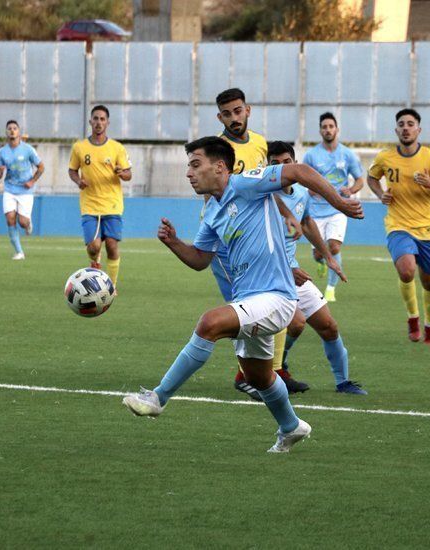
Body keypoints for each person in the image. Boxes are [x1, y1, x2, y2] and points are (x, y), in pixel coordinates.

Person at [122, 137, 363, 453]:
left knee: (209, 322)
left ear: (219, 166)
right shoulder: (212, 213)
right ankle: (291, 427)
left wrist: (340, 204)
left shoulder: (247, 183)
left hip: (276, 296)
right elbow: (200, 259)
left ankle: (158, 397)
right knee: (258, 376)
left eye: (195, 165)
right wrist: (174, 243)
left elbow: (300, 170)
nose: (189, 174)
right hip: (248, 299)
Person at [214, 88, 307, 398]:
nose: (233, 118)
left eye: (237, 111)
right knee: (247, 310)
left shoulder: (259, 144)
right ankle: (252, 375)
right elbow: (213, 195)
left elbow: (264, 189)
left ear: (248, 110)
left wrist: (287, 216)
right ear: (220, 117)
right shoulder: (216, 149)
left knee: (273, 308)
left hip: (257, 239)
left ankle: (265, 374)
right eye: (227, 113)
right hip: (228, 240)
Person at [268, 141, 367, 395]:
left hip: (293, 271)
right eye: (274, 164)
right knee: (297, 323)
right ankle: (276, 369)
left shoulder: (300, 193)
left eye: (286, 162)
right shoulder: (262, 197)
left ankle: (343, 382)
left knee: (329, 326)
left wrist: (329, 257)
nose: (281, 169)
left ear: (295, 164)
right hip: (269, 275)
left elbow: (308, 222)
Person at [366, 109, 430, 344]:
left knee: (429, 282)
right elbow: (372, 177)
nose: (405, 128)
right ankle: (412, 319)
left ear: (419, 129)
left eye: (410, 124)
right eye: (401, 124)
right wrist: (380, 194)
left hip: (428, 229)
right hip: (398, 225)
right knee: (406, 270)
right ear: (396, 130)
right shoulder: (385, 157)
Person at [302, 112, 366, 302]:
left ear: (337, 129)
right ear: (320, 130)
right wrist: (309, 188)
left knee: (334, 247)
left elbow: (360, 180)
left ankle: (330, 288)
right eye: (324, 127)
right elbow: (302, 176)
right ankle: (321, 260)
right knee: (318, 252)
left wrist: (352, 189)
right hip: (315, 211)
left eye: (331, 126)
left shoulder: (347, 154)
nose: (328, 130)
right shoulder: (311, 155)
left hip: (338, 209)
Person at [68, 105, 132, 289]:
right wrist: (78, 181)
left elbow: (128, 174)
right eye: (95, 118)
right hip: (89, 205)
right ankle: (95, 260)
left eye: (102, 119)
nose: (99, 122)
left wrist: (122, 173)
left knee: (112, 245)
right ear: (90, 121)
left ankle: (111, 286)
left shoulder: (117, 148)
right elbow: (72, 170)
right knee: (94, 247)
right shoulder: (79, 147)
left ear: (107, 123)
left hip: (112, 205)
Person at [0, 120, 44, 260]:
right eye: (9, 128)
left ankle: (28, 225)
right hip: (9, 189)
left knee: (22, 222)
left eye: (14, 128)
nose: (12, 130)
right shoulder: (2, 152)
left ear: (19, 132)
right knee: (10, 219)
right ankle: (19, 252)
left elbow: (41, 167)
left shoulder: (28, 149)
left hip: (25, 191)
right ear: (6, 132)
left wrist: (32, 181)